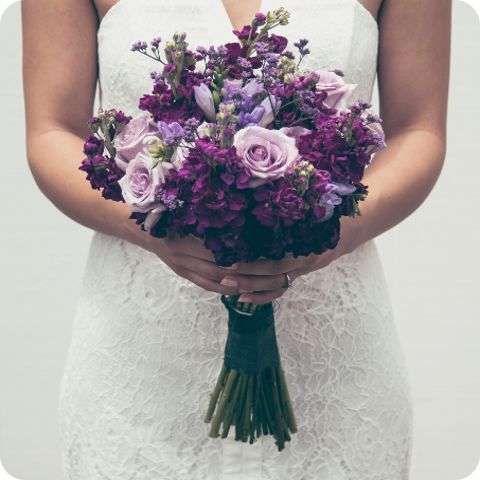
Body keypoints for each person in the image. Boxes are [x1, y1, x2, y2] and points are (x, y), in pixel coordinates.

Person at [22, 0, 451, 478]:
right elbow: (51, 130)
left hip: (333, 351)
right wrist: (146, 222)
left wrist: (328, 231)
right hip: (143, 353)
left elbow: (418, 129)